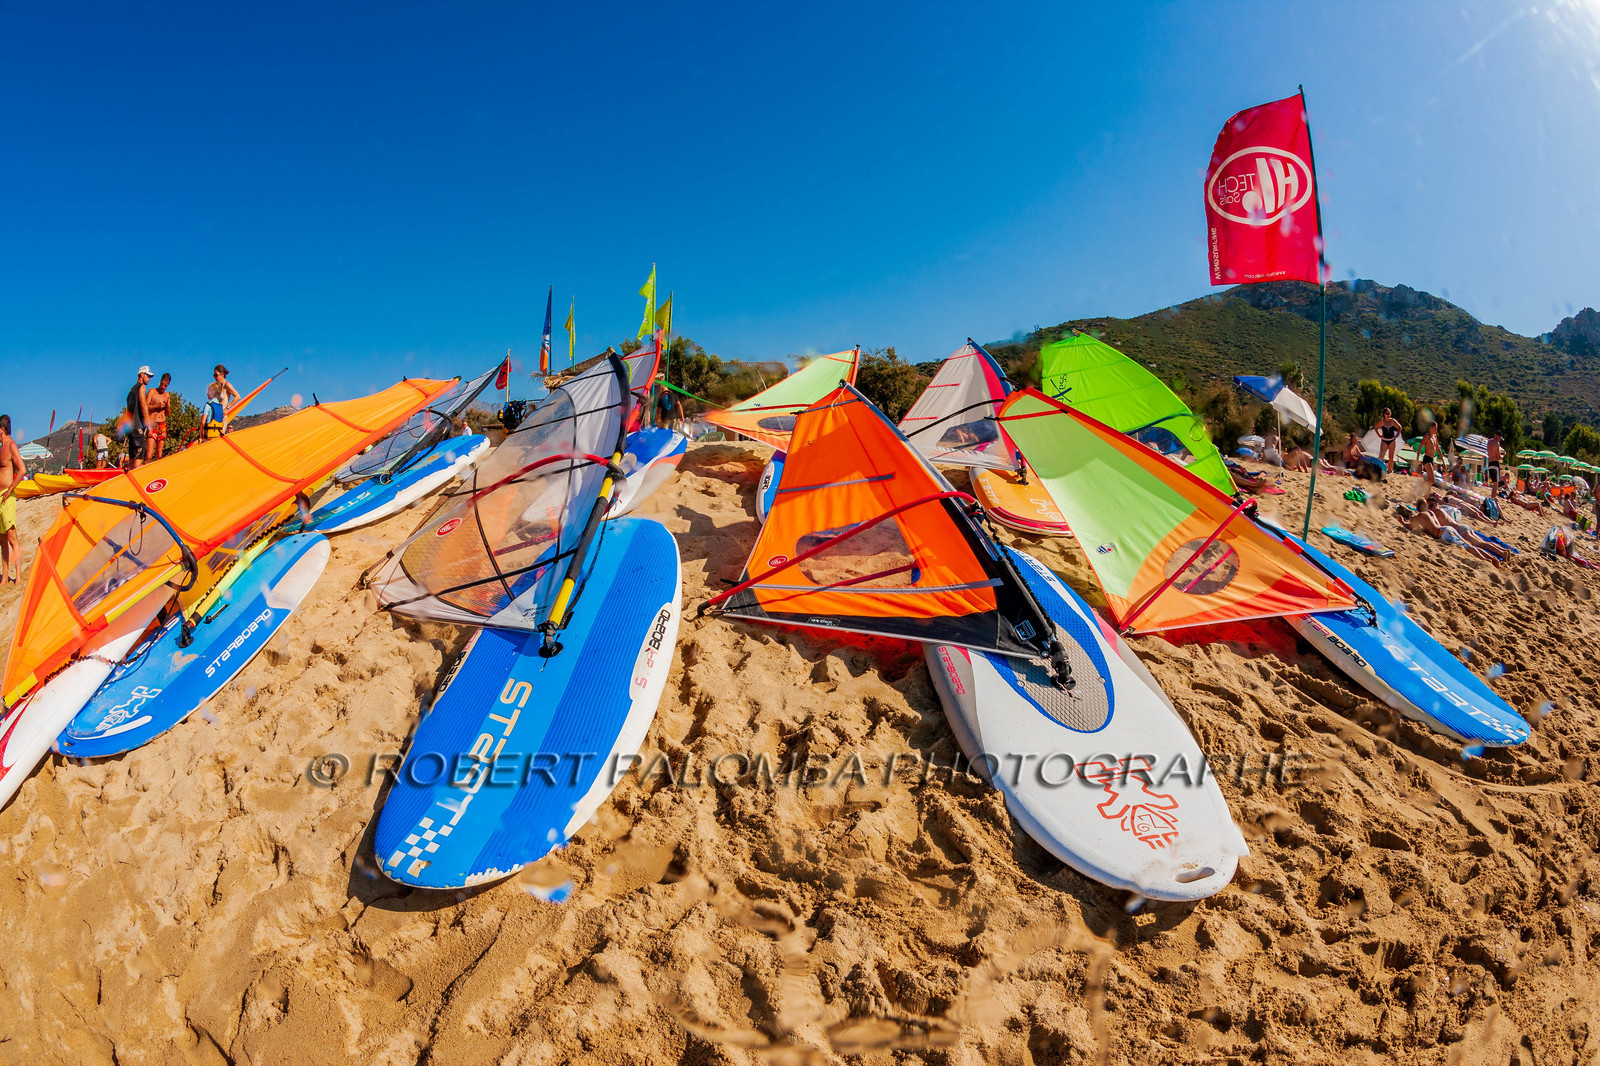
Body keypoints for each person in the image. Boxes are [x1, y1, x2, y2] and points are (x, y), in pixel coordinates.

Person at [0, 416, 24, 582]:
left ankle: (18, 577)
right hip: (0, 497)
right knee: (2, 540)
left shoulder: (11, 445)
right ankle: (4, 577)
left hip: (6, 497)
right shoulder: (1, 447)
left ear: (1, 430)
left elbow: (22, 470)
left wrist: (9, 490)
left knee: (11, 537)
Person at [127, 365, 153, 470]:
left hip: (130, 427)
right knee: (139, 456)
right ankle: (135, 480)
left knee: (132, 457)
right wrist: (149, 426)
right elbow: (143, 405)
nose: (149, 378)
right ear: (141, 375)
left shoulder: (131, 391)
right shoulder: (142, 387)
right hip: (138, 426)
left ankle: (128, 482)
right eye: (147, 376)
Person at [204, 364, 240, 439]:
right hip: (216, 415)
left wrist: (227, 407)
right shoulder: (218, 386)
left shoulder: (227, 385)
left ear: (222, 374)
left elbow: (237, 397)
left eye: (216, 375)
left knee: (218, 438)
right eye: (214, 375)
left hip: (222, 416)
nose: (214, 377)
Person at [147, 372, 172, 460]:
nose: (163, 387)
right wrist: (157, 406)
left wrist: (167, 405)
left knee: (159, 453)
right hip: (152, 424)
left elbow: (168, 414)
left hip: (162, 424)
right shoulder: (152, 391)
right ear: (160, 381)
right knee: (149, 454)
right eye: (162, 384)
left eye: (165, 385)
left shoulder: (166, 395)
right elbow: (145, 407)